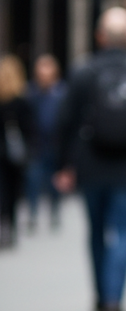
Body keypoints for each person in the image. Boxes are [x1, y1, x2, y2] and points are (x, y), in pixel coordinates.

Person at [54, 6, 126, 311]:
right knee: (124, 231)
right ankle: (116, 298)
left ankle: (101, 296)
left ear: (100, 36)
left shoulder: (83, 71)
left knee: (96, 231)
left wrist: (63, 166)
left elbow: (65, 122)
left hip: (91, 165)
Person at [25, 53, 67, 231]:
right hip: (36, 144)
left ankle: (55, 210)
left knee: (54, 180)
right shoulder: (30, 92)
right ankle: (33, 212)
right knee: (33, 179)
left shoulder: (62, 93)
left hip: (56, 144)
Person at [0, 55, 33, 249]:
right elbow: (30, 129)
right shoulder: (22, 102)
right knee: (12, 191)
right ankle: (9, 227)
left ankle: (4, 226)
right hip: (15, 154)